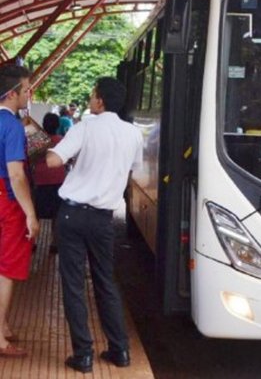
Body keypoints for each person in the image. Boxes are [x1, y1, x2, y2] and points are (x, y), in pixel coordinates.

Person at [46, 77, 143, 373]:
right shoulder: (133, 134)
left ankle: (84, 355)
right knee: (105, 282)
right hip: (103, 219)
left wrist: (67, 160)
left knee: (73, 284)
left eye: (92, 96)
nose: (90, 100)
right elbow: (132, 170)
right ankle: (120, 350)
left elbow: (52, 161)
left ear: (100, 101)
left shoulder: (85, 126)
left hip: (72, 216)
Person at [0, 64, 39, 357]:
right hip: (7, 201)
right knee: (7, 268)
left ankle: (3, 327)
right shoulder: (11, 125)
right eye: (26, 89)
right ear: (11, 93)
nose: (29, 94)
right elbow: (16, 175)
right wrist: (30, 213)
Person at [31, 113, 65, 253]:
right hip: (58, 182)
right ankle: (55, 244)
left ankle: (32, 242)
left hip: (39, 182)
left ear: (43, 125)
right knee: (56, 214)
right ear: (58, 125)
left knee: (35, 213)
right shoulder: (62, 141)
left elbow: (30, 159)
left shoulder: (38, 140)